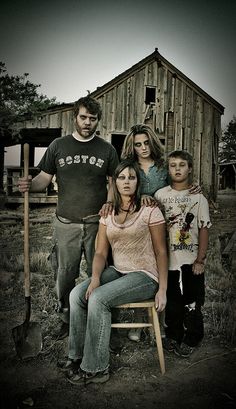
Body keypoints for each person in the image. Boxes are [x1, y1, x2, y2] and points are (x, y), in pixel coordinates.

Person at [18, 95, 119, 339]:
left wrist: (110, 201)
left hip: (98, 224)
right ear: (75, 117)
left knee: (102, 272)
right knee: (64, 272)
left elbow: (115, 181)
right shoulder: (58, 146)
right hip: (66, 223)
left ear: (98, 122)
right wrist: (29, 184)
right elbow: (44, 179)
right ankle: (67, 317)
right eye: (83, 117)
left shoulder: (107, 149)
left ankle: (103, 319)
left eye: (92, 119)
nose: (87, 123)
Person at [60, 159, 168, 385]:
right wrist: (96, 278)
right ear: (114, 182)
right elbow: (100, 253)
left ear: (138, 182)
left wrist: (163, 290)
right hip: (118, 270)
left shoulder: (149, 210)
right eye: (121, 177)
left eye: (132, 177)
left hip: (145, 276)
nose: (126, 182)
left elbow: (160, 251)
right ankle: (76, 356)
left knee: (98, 299)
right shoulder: (107, 213)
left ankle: (96, 369)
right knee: (77, 295)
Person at [120, 124, 199, 342]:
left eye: (146, 142)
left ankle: (161, 323)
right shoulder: (128, 167)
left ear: (152, 142)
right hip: (136, 225)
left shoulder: (164, 166)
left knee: (162, 270)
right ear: (132, 147)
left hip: (163, 224)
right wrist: (141, 197)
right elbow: (121, 191)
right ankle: (139, 321)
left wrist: (194, 188)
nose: (143, 148)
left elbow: (177, 189)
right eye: (138, 144)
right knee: (139, 270)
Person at [154, 150, 211, 357]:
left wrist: (200, 260)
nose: (177, 169)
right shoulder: (160, 195)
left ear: (190, 168)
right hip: (167, 260)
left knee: (192, 301)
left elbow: (204, 228)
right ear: (168, 169)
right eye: (172, 165)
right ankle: (173, 335)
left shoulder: (198, 198)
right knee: (173, 301)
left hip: (190, 259)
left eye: (182, 165)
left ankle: (193, 336)